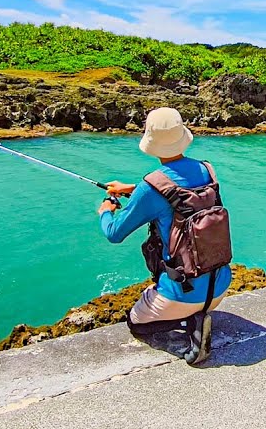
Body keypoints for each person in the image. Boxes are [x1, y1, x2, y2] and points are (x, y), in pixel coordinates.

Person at [98, 107, 232, 365]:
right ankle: (198, 314)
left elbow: (114, 233)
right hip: (220, 285)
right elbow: (180, 194)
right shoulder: (207, 171)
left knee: (135, 323)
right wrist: (133, 190)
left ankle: (189, 337)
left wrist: (106, 210)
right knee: (191, 295)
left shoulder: (152, 186)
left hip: (181, 293)